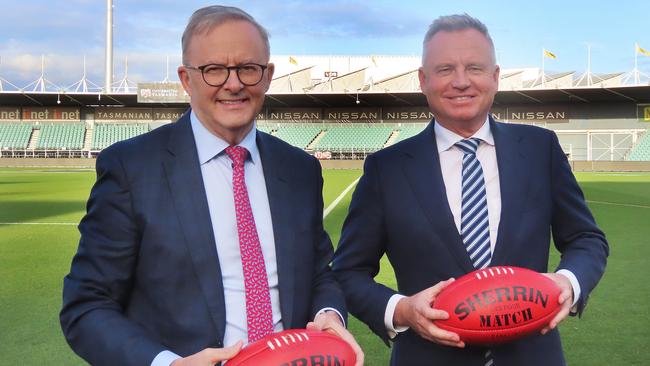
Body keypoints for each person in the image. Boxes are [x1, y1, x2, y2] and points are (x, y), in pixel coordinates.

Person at [60, 5, 362, 366]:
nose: (233, 84)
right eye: (214, 70)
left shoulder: (299, 169)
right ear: (187, 79)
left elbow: (318, 275)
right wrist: (168, 364)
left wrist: (329, 313)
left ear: (267, 76)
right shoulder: (131, 168)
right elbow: (87, 305)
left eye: (247, 68)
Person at [332, 14, 608, 366]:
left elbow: (586, 238)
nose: (461, 82)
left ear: (495, 77)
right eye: (445, 69)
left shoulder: (541, 149)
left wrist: (569, 282)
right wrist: (401, 310)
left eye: (474, 68)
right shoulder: (386, 169)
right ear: (423, 80)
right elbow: (348, 270)